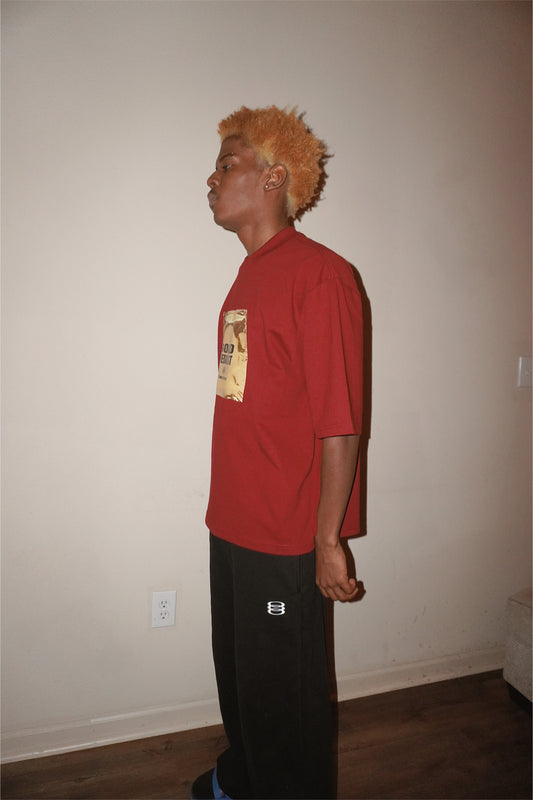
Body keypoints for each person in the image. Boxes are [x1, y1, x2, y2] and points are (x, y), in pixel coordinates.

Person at [192, 106, 363, 800]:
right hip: (232, 520)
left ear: (274, 178)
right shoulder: (248, 276)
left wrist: (326, 540)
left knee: (283, 697)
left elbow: (339, 423)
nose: (210, 179)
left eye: (226, 164)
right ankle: (243, 780)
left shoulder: (319, 275)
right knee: (239, 680)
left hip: (283, 534)